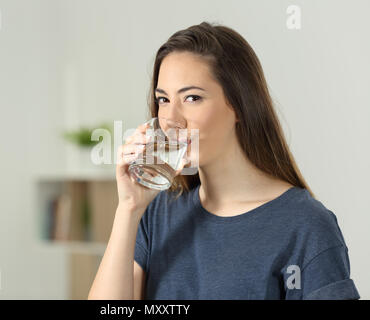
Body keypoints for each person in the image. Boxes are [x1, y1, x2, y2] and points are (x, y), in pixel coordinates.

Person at [88, 21, 360, 300]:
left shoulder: (306, 225)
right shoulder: (158, 214)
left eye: (192, 98)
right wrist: (129, 208)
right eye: (164, 100)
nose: (171, 120)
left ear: (240, 105)